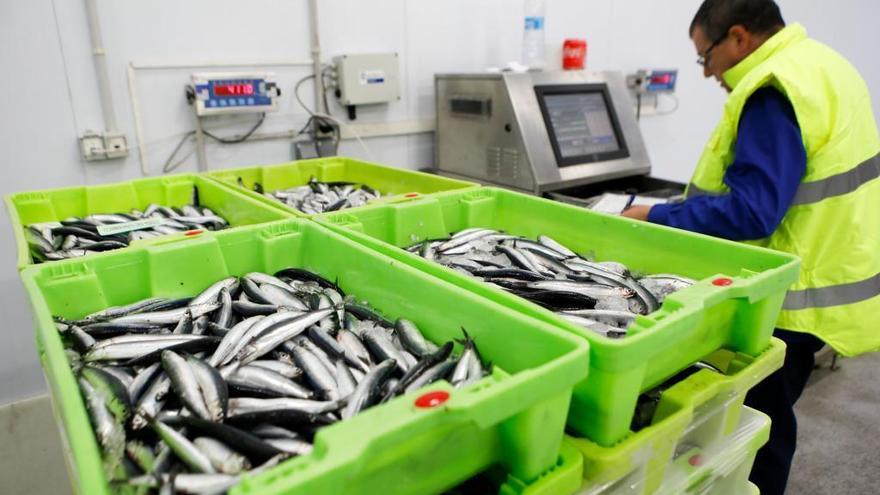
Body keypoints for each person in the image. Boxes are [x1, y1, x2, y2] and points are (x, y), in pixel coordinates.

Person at [621, 0, 880, 493]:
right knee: (767, 416)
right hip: (829, 266)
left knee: (755, 426)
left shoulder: (773, 90)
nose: (707, 72)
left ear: (738, 37)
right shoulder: (821, 65)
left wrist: (655, 214)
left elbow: (753, 211)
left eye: (705, 56)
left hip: (791, 294)